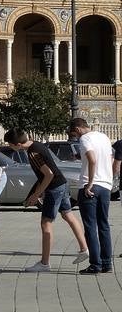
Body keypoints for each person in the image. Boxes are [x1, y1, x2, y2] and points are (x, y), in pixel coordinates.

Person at [4, 127, 88, 272]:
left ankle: (44, 263)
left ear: (17, 144)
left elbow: (48, 175)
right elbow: (44, 175)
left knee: (46, 223)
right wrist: (33, 193)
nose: (9, 147)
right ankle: (84, 249)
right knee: (68, 215)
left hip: (54, 187)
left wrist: (37, 195)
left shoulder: (33, 153)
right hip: (62, 182)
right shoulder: (37, 144)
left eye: (10, 144)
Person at [68, 117, 113, 274]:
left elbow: (93, 160)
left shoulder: (85, 138)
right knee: (104, 225)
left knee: (90, 227)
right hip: (106, 185)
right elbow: (107, 158)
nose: (76, 137)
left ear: (78, 129)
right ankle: (107, 263)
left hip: (90, 186)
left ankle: (95, 264)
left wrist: (90, 183)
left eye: (75, 134)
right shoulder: (104, 137)